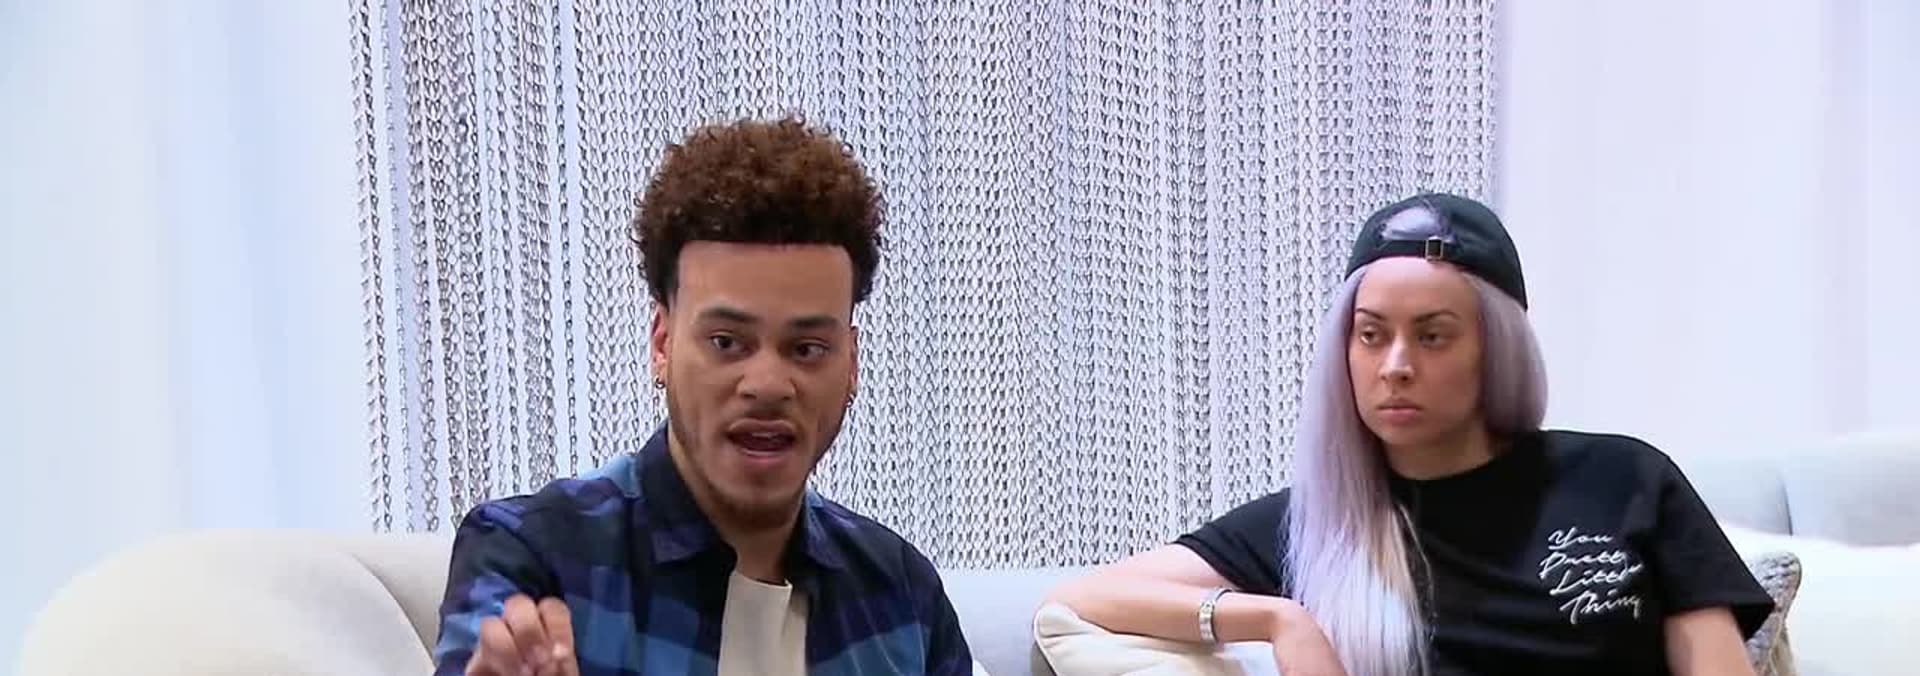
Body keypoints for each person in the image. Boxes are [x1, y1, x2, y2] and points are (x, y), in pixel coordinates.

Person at [1042, 193, 1774, 676]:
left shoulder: (1624, 480)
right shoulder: (1322, 522)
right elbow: (1086, 598)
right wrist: (1277, 620)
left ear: (1495, 350)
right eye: (1371, 335)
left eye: (1432, 336)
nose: (1395, 366)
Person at [432, 117, 974, 676]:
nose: (767, 385)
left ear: (851, 363)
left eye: (807, 348)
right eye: (727, 342)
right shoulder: (535, 554)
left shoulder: (902, 597)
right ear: (662, 344)